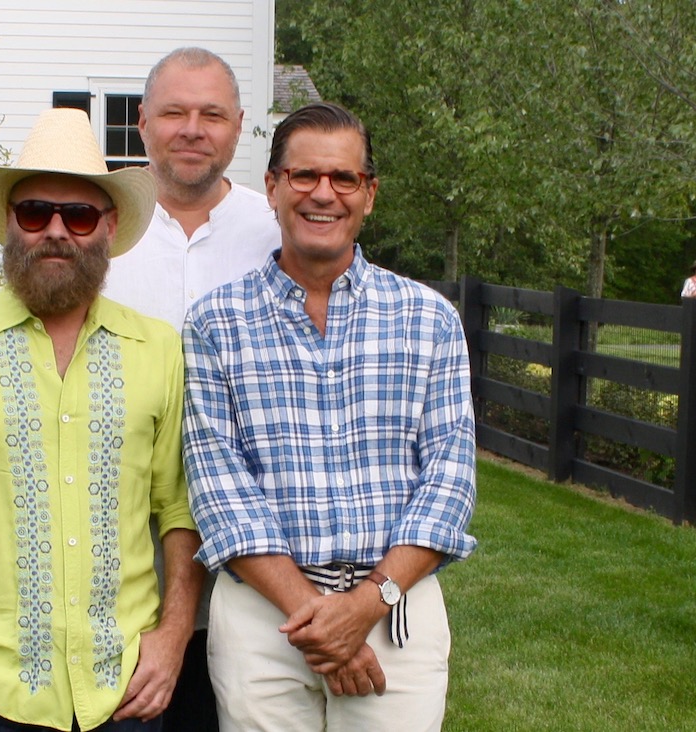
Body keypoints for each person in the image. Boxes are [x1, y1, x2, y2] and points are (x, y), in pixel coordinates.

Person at [0, 108, 202, 732]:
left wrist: (173, 636)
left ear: (107, 226)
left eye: (77, 215)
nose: (56, 231)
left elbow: (180, 511)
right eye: (34, 212)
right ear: (7, 223)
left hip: (123, 689)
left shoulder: (158, 350)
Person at [182, 102, 478, 732]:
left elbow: (449, 483)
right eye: (303, 176)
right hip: (264, 618)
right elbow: (219, 488)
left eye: (344, 178)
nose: (324, 194)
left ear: (368, 193)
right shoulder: (214, 324)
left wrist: (364, 607)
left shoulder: (428, 320)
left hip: (397, 614)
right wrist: (323, 620)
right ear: (272, 187)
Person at [101, 46, 281, 732]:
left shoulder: (276, 231)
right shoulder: (101, 227)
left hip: (254, 536)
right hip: (122, 535)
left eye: (211, 114)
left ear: (239, 126)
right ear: (142, 122)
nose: (192, 128)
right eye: (174, 112)